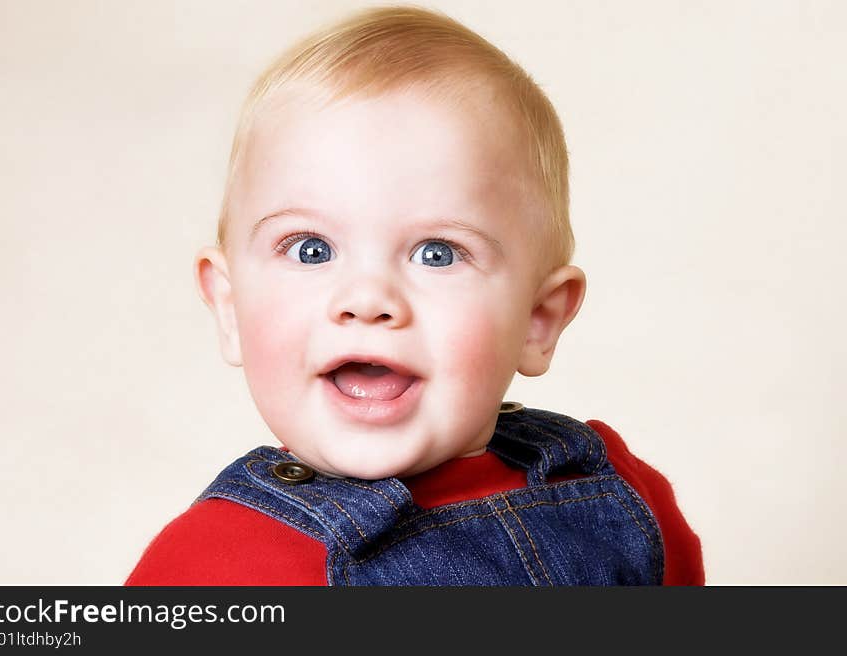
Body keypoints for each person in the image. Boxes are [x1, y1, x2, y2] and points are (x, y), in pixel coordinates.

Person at [126, 5, 703, 585]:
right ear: (229, 306)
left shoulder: (622, 504)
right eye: (310, 249)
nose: (368, 300)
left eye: (438, 253)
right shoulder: (212, 569)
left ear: (537, 320)